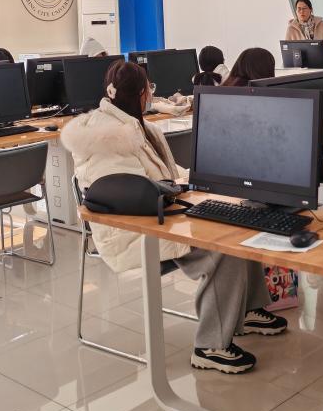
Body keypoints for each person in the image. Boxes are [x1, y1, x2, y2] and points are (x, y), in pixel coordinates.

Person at [62, 60, 287, 374]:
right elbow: (127, 196)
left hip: (159, 214)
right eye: (150, 89)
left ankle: (246, 311)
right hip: (130, 233)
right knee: (222, 247)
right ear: (142, 94)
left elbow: (167, 176)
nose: (152, 95)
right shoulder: (106, 139)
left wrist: (204, 177)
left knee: (239, 226)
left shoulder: (140, 127)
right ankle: (210, 346)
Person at [284, 0, 323, 68]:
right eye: (299, 9)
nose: (301, 11)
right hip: (301, 69)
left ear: (311, 9)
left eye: (304, 8)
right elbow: (287, 54)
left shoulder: (321, 24)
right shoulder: (291, 28)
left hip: (322, 66)